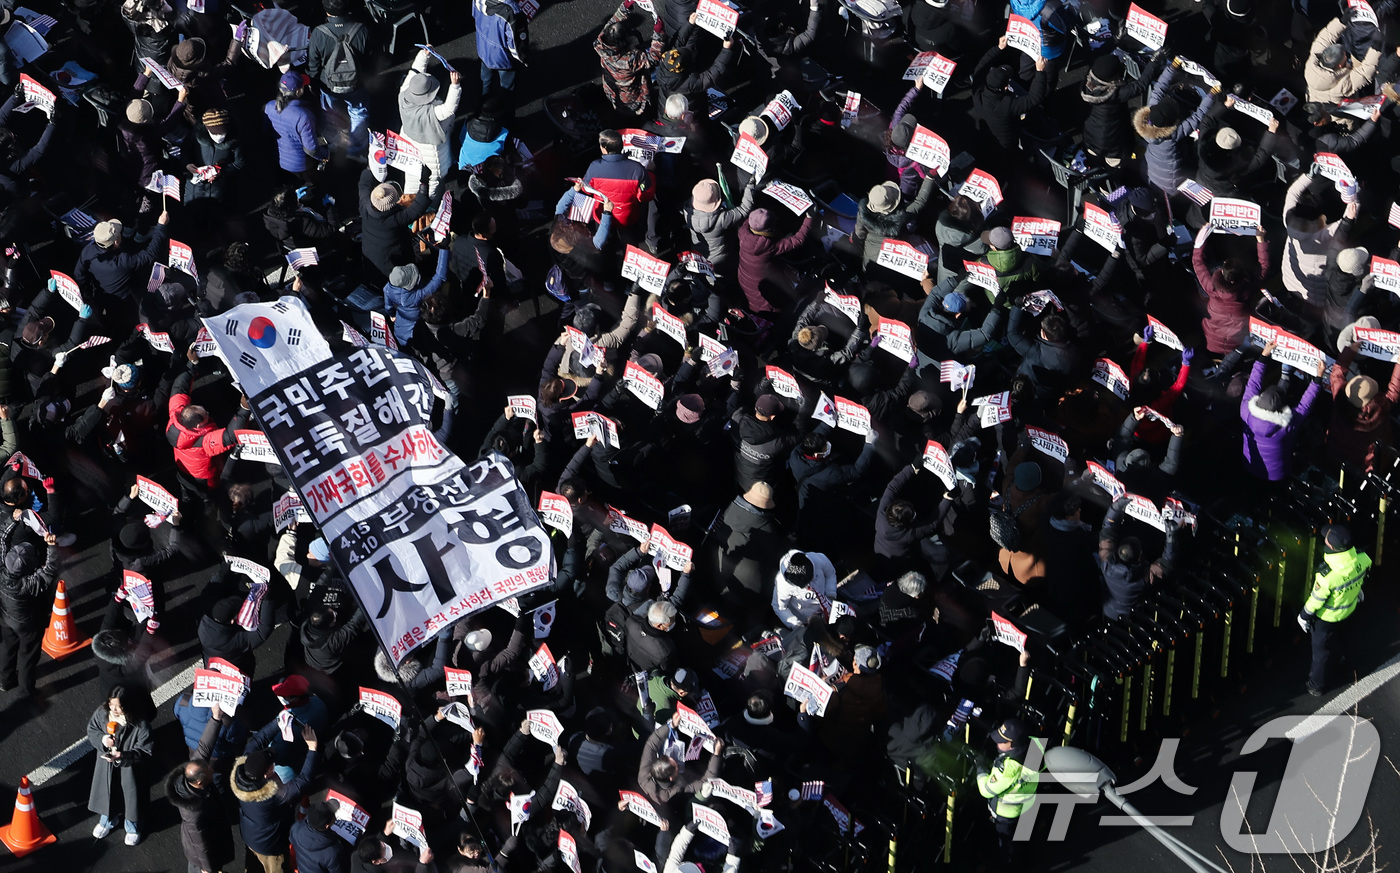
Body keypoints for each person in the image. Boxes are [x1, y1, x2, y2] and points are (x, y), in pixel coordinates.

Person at [1299, 525, 1370, 695]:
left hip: (1327, 618)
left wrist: (1303, 616)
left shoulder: (1327, 576)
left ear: (1332, 548)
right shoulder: (1363, 558)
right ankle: (1347, 669)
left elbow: (1316, 601)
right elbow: (1361, 576)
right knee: (1347, 641)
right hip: (1350, 609)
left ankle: (1317, 685)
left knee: (1322, 652)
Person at [0, 516, 58, 699]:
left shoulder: (2, 569)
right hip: (27, 625)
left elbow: (2, 538)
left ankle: (5, 680)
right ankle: (26, 690)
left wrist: (11, 520)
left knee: (8, 648)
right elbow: (50, 571)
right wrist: (52, 547)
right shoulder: (28, 584)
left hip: (5, 617)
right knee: (28, 657)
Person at [307, 0, 373, 159]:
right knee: (358, 113)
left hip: (329, 85)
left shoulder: (318, 33)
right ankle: (355, 149)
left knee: (331, 112)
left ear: (326, 10)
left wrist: (313, 83)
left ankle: (336, 142)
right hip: (356, 84)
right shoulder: (362, 29)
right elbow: (369, 60)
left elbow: (313, 64)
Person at [88, 686, 154, 846]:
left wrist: (123, 756)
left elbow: (145, 750)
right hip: (106, 765)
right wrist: (103, 740)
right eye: (111, 704)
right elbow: (92, 729)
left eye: (119, 706)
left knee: (131, 797)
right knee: (107, 791)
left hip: (130, 769)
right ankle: (107, 819)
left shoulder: (140, 724)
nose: (114, 709)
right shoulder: (102, 713)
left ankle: (132, 826)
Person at [397, 46, 463, 197]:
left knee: (412, 176)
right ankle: (429, 207)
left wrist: (423, 55)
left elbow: (414, 72)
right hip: (431, 154)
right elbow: (449, 109)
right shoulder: (433, 113)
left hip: (410, 145)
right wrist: (455, 86)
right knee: (433, 185)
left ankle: (409, 204)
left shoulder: (403, 95)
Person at [976, 718, 1039, 860]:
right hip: (1028, 803)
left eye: (1002, 741)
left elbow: (986, 790)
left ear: (1013, 745)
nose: (997, 743)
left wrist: (980, 769)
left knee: (1006, 841)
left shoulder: (1008, 771)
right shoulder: (1035, 746)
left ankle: (1009, 861)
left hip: (1006, 813)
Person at [596, 0, 667, 116]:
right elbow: (653, 58)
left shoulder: (600, 44)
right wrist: (659, 33)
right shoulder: (630, 60)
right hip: (632, 98)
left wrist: (625, 7)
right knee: (639, 112)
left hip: (612, 90)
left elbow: (612, 24)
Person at [264, 72, 327, 190]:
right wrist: (325, 155)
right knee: (309, 189)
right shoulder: (304, 115)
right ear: (298, 92)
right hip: (302, 165)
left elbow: (266, 131)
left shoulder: (269, 106)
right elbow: (311, 149)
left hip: (281, 161)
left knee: (287, 189)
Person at [473, 0, 529, 100]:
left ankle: (485, 104)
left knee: (486, 81)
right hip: (504, 59)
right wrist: (523, 58)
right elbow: (516, 45)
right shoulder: (512, 12)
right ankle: (506, 112)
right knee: (507, 89)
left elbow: (475, 15)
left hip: (484, 50)